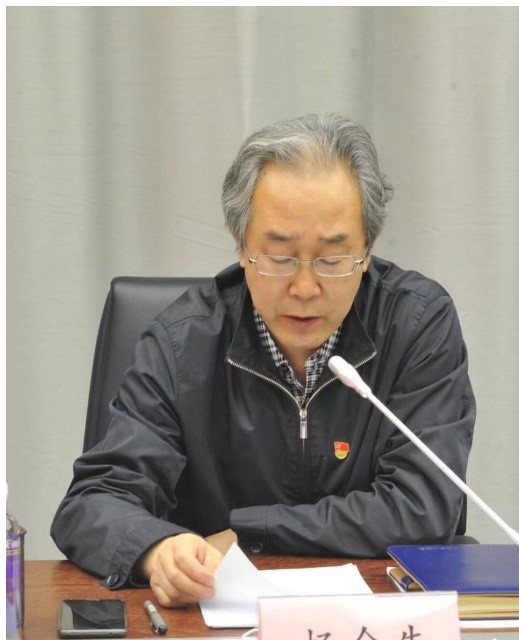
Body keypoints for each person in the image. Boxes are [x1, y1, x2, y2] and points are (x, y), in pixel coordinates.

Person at [52, 113, 476, 607]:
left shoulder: (415, 324)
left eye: (332, 260)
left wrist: (247, 532)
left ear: (368, 249)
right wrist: (157, 551)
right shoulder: (182, 343)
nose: (305, 287)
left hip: (379, 618)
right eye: (278, 258)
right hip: (213, 618)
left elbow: (424, 506)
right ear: (241, 246)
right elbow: (94, 502)